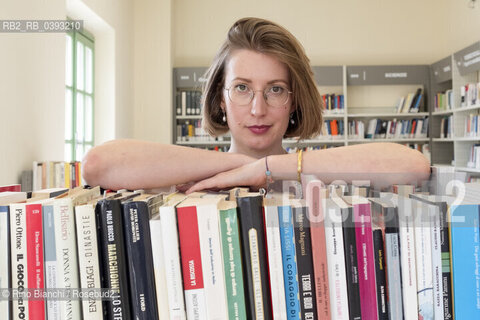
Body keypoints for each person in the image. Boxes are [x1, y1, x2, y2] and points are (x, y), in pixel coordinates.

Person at [82, 17, 430, 193]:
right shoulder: (185, 173)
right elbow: (98, 164)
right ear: (220, 97)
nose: (258, 109)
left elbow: (414, 166)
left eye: (276, 90)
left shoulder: (322, 172)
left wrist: (267, 167)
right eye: (242, 88)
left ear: (295, 101)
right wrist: (239, 166)